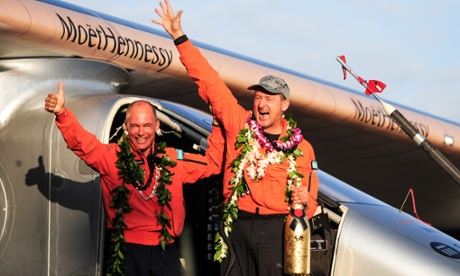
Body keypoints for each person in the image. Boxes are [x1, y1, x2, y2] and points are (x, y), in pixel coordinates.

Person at [152, 1, 319, 275]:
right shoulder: (238, 123)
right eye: (258, 97)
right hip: (235, 225)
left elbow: (310, 201)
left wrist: (303, 200)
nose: (261, 104)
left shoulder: (301, 148)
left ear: (284, 105)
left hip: (275, 231)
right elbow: (210, 83)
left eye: (269, 99)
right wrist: (179, 38)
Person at [44, 82, 224, 276]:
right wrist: (62, 114)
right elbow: (83, 144)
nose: (141, 132)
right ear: (126, 127)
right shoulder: (112, 158)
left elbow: (213, 163)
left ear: (156, 126)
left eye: (147, 125)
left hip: (166, 252)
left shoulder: (172, 159)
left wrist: (216, 123)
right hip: (128, 253)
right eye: (135, 126)